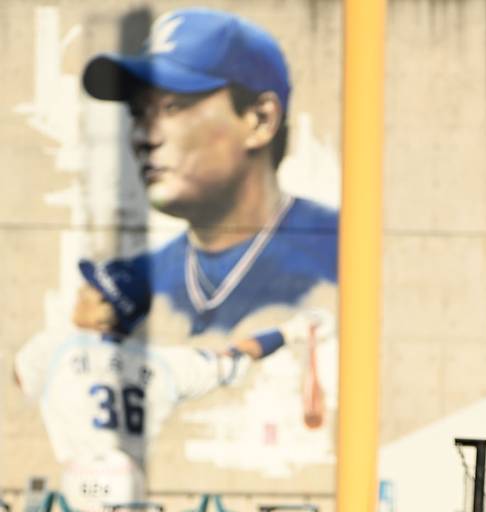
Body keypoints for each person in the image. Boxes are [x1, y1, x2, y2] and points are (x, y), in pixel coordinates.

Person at [74, 7, 337, 341]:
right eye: (139, 112)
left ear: (260, 120)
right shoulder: (139, 282)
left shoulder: (343, 255)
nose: (144, 136)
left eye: (173, 107)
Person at [15, 261, 327, 512]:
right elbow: (234, 355)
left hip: (78, 484)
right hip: (130, 488)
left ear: (104, 309)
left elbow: (22, 377)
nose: (80, 293)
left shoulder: (54, 348)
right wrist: (289, 332)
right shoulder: (162, 364)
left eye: (90, 290)